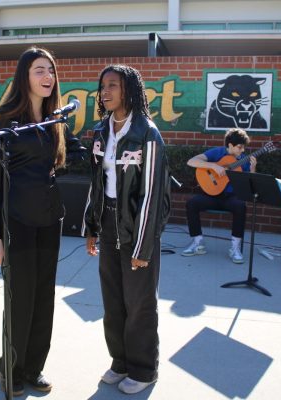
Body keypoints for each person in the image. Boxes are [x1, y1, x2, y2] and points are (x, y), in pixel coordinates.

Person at [0, 47, 85, 396]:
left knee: (43, 297)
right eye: (40, 70)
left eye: (51, 71)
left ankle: (33, 367)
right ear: (24, 75)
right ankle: (9, 369)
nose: (48, 77)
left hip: (49, 219)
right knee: (19, 300)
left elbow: (75, 153)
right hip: (16, 223)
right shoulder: (4, 121)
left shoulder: (56, 121)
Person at [84, 65, 171, 395]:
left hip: (137, 225)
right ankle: (120, 361)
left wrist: (143, 246)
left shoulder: (147, 134)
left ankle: (144, 369)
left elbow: (153, 193)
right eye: (102, 86)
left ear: (129, 90)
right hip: (107, 221)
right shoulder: (100, 131)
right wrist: (90, 227)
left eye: (113, 85)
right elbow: (96, 183)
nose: (105, 92)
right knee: (113, 299)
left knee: (140, 302)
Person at [182, 128, 256, 263]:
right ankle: (198, 242)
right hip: (211, 195)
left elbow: (249, 186)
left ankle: (235, 248)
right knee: (192, 203)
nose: (243, 150)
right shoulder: (217, 152)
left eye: (244, 147)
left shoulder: (244, 161)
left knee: (241, 206)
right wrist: (213, 166)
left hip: (231, 198)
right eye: (240, 147)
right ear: (230, 145)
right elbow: (191, 161)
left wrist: (252, 169)